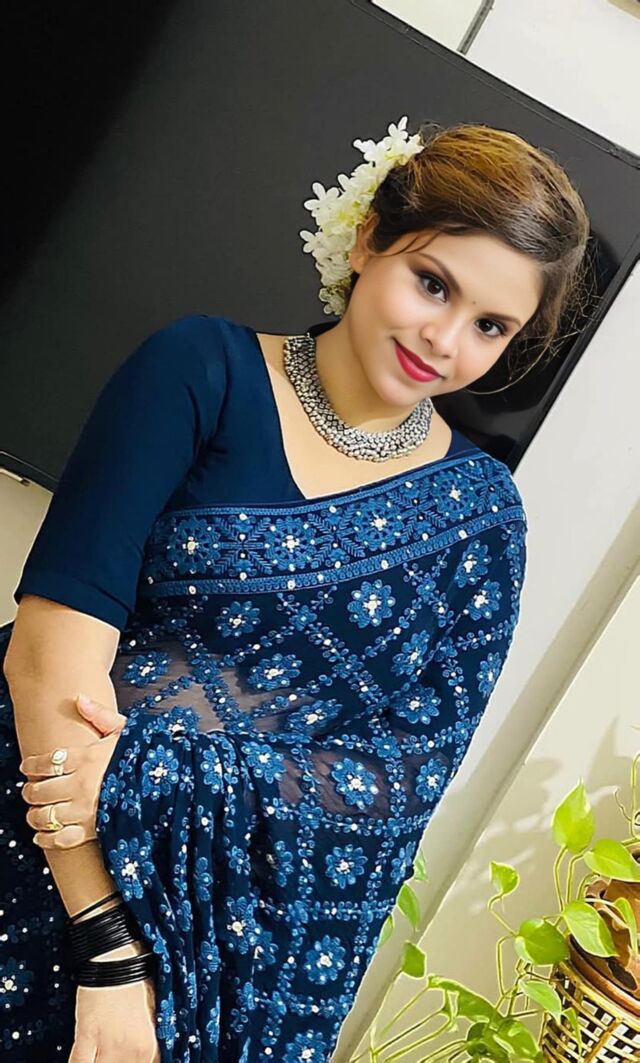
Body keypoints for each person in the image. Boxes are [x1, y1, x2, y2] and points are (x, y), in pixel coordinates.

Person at [0, 118, 591, 1062]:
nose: (444, 340)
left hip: (226, 953)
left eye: (491, 326)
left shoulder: (479, 521)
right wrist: (107, 950)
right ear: (367, 240)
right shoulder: (200, 370)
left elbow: (396, 788)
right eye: (432, 283)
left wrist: (154, 775)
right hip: (38, 852)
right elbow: (48, 656)